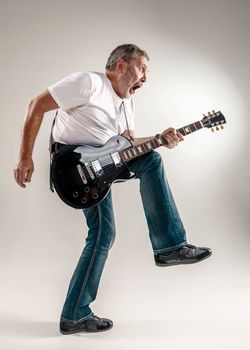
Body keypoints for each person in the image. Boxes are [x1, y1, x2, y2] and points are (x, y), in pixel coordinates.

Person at [14, 44, 212, 335]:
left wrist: (161, 138)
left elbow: (128, 147)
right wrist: (25, 157)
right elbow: (36, 105)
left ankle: (76, 314)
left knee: (149, 161)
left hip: (104, 166)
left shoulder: (126, 103)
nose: (145, 78)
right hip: (74, 166)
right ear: (121, 66)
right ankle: (169, 247)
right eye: (142, 69)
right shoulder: (89, 83)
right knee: (103, 233)